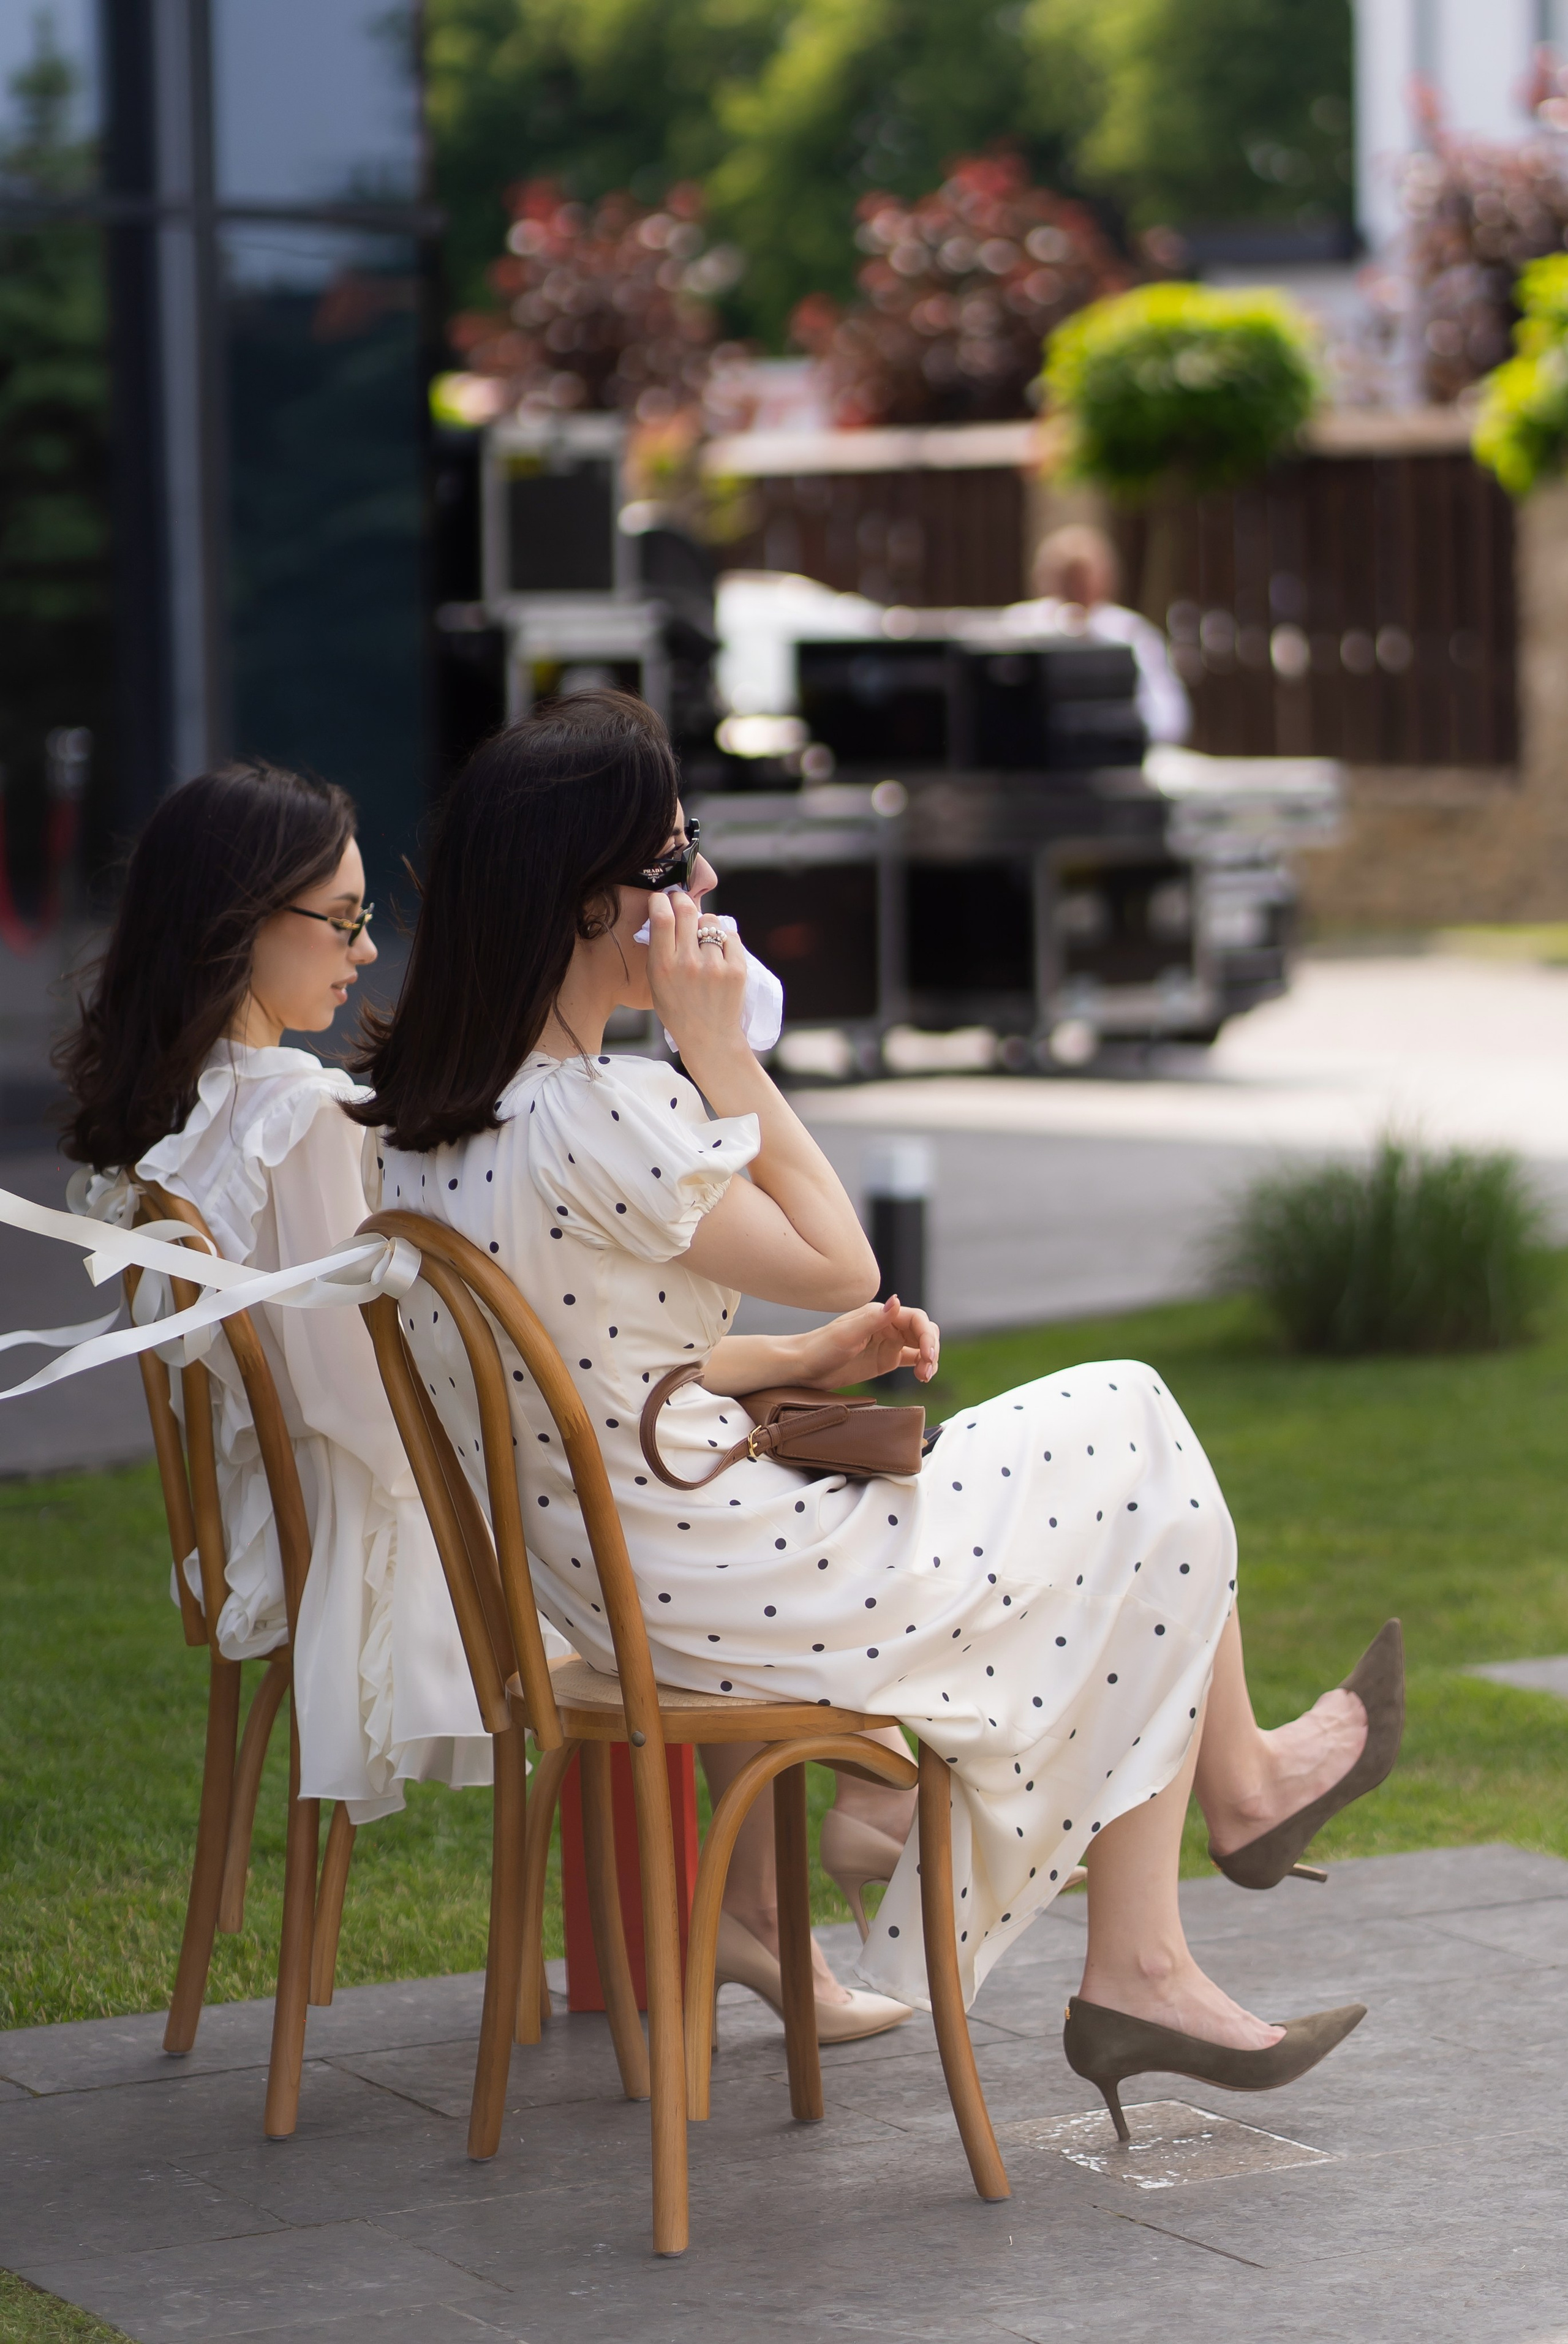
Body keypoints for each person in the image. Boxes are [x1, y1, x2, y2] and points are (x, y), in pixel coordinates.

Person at [352, 691, 1398, 2108]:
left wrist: (787, 1360)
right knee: (1132, 1423)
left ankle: (1186, 1888)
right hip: (727, 1579)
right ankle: (1189, 1879)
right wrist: (724, 1058)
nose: (704, 884)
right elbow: (840, 1254)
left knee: (1125, 1452)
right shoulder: (599, 1116)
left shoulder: (431, 1134)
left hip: (641, 1577)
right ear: (596, 903)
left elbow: (573, 1379)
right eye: (673, 858)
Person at [56, 763, 491, 1822]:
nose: (369, 951)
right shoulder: (294, 1108)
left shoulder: (179, 1116)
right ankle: (698, 1936)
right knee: (639, 1544)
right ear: (242, 921)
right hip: (347, 1531)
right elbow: (360, 1403)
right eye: (344, 921)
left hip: (264, 1528)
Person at [1005, 523, 1191, 746]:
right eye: (1068, 579)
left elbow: (1168, 713)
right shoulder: (1022, 626)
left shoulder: (1130, 632)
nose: (1077, 589)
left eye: (1084, 579)